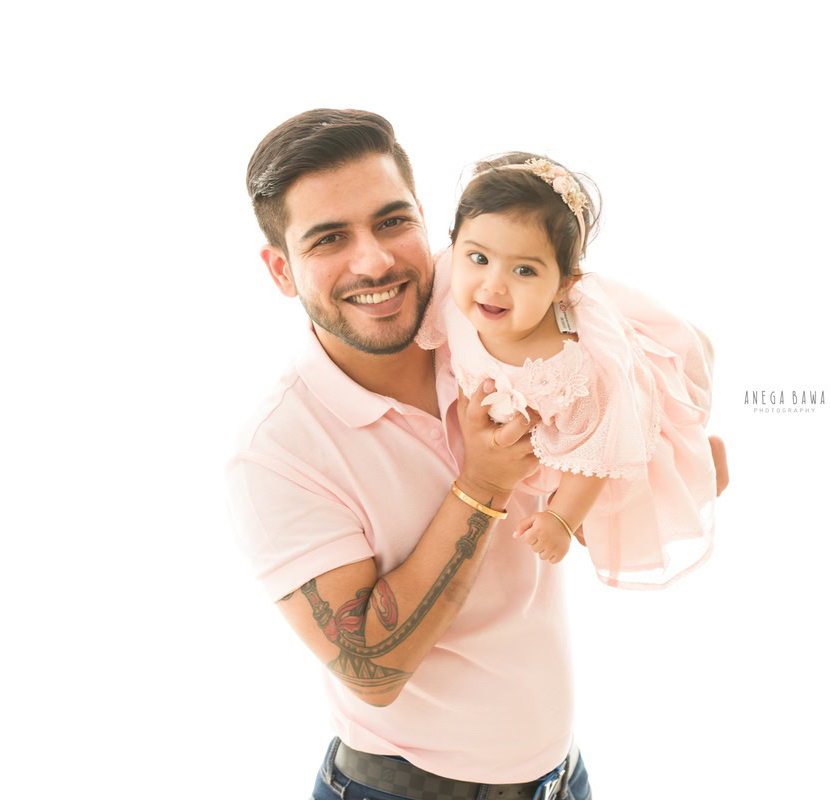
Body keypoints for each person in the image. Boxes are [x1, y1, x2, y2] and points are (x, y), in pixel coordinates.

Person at [227, 109, 728, 799]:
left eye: (392, 221)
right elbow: (373, 669)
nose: (374, 260)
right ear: (281, 270)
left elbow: (631, 353)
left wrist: (673, 457)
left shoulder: (484, 308)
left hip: (559, 778)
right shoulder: (274, 454)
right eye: (329, 239)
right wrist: (482, 485)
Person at [416, 153, 719, 590]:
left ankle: (706, 456)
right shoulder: (451, 277)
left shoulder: (571, 373)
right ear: (454, 246)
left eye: (524, 270)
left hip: (596, 433)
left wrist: (561, 517)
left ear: (563, 285)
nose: (493, 284)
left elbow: (598, 450)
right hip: (524, 425)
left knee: (609, 509)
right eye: (478, 258)